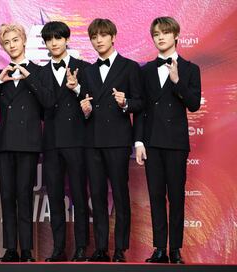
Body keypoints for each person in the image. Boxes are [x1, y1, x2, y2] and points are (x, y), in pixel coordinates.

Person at [0, 23, 53, 262]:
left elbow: (48, 103)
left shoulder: (40, 72)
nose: (12, 45)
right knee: (7, 196)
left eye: (15, 40)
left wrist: (29, 78)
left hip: (29, 144)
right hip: (4, 144)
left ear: (23, 41)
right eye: (7, 42)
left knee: (24, 196)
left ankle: (27, 251)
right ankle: (10, 249)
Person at [134, 16, 201, 264]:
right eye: (156, 34)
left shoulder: (191, 69)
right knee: (155, 196)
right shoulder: (146, 70)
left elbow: (193, 105)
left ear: (175, 36)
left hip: (175, 143)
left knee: (176, 196)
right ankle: (159, 249)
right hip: (151, 142)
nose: (160, 37)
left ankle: (175, 250)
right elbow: (140, 108)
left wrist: (177, 81)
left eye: (165, 33)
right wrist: (138, 142)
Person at [79, 18, 143, 262]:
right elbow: (85, 106)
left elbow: (140, 103)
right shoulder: (88, 71)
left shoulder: (130, 67)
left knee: (119, 194)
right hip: (92, 141)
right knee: (96, 196)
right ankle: (101, 248)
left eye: (103, 35)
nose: (98, 40)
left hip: (117, 140)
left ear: (113, 37)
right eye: (94, 37)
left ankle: (120, 249)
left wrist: (125, 103)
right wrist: (84, 109)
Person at [38, 21, 90, 262]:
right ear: (46, 44)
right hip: (50, 144)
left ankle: (82, 248)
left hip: (77, 141)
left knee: (80, 196)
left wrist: (77, 88)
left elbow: (93, 106)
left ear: (67, 39)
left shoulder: (84, 68)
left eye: (58, 38)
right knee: (55, 198)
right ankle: (58, 249)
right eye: (49, 39)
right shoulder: (39, 73)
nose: (54, 43)